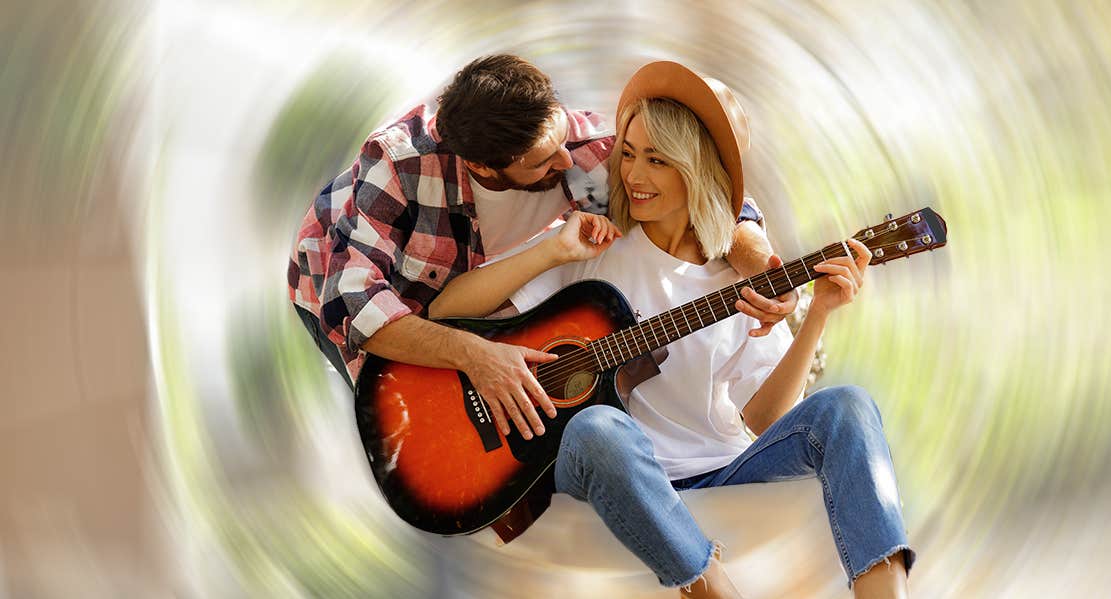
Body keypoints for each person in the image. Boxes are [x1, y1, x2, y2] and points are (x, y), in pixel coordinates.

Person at [428, 61, 915, 599]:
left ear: (696, 168)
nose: (634, 175)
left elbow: (768, 417)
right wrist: (553, 251)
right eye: (629, 154)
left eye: (657, 160)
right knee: (595, 427)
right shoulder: (593, 245)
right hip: (612, 466)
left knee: (847, 405)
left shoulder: (740, 279)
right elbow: (446, 308)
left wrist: (818, 312)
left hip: (720, 467)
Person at [287, 54, 797, 443]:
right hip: (348, 287)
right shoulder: (399, 164)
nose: (564, 159)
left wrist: (769, 273)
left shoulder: (583, 141)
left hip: (488, 284)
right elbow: (358, 310)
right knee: (419, 440)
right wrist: (474, 355)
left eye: (560, 136)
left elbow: (711, 193)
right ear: (487, 168)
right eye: (541, 161)